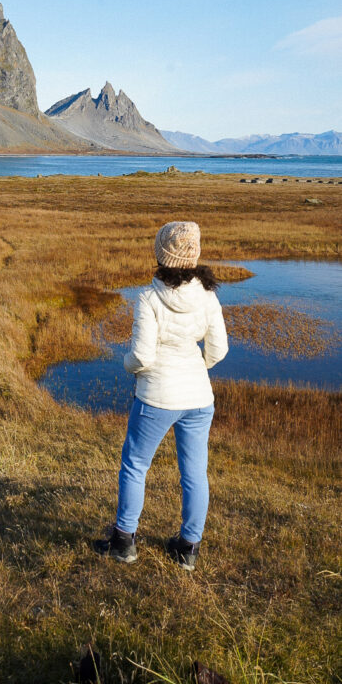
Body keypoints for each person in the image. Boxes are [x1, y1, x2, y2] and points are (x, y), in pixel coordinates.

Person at [95, 220, 228, 570]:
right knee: (195, 474)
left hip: (156, 396)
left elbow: (141, 357)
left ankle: (124, 542)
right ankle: (188, 548)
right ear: (193, 255)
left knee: (135, 465)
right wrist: (197, 366)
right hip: (200, 398)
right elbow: (218, 351)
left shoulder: (149, 298)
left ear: (161, 256)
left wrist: (127, 365)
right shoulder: (209, 297)